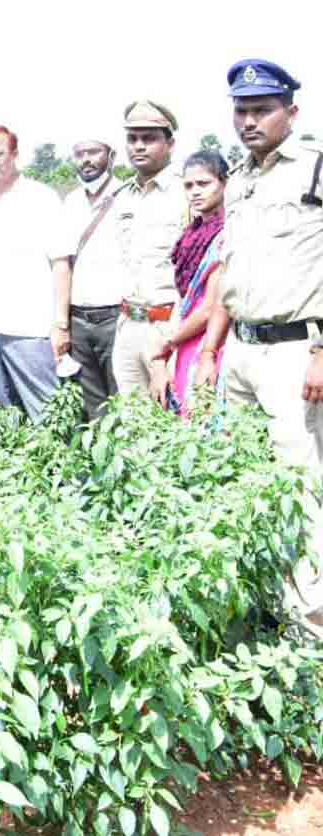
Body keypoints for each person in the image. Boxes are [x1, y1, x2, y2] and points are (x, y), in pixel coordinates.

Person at [197, 59, 323, 625]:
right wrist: (211, 350)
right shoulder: (240, 177)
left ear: (290, 113)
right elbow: (231, 270)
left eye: (262, 109)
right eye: (241, 110)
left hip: (295, 349)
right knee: (247, 475)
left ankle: (310, 611)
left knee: (301, 478)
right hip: (244, 351)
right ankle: (266, 599)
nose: (249, 120)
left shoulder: (314, 170)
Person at [0, 125, 71, 422]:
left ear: (15, 155)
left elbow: (61, 264)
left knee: (47, 416)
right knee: (0, 421)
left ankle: (61, 470)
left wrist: (60, 324)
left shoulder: (41, 198)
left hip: (30, 331)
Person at [108, 101, 185, 397]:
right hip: (128, 324)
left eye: (149, 138)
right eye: (132, 138)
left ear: (170, 143)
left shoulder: (186, 191)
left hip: (168, 326)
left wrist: (174, 337)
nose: (139, 146)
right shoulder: (123, 197)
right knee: (132, 425)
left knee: (172, 421)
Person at [148, 151, 229, 416]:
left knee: (207, 421)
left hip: (214, 341)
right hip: (186, 336)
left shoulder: (227, 233)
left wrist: (167, 342)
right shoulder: (191, 234)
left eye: (204, 184)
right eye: (189, 185)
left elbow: (210, 307)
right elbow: (186, 298)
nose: (195, 192)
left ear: (224, 183)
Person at [64, 133, 127, 419]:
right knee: (92, 407)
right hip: (78, 320)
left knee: (123, 398)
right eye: (80, 153)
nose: (86, 160)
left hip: (116, 317)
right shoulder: (70, 202)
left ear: (111, 156)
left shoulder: (127, 195)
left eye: (94, 152)